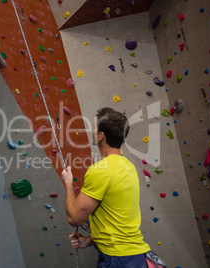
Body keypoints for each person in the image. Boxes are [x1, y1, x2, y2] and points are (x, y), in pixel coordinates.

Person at [61, 107, 151, 268]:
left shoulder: (101, 170)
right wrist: (89, 241)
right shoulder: (129, 167)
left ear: (101, 136)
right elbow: (117, 217)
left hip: (118, 260)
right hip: (135, 256)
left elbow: (74, 218)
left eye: (94, 127)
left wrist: (68, 183)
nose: (92, 131)